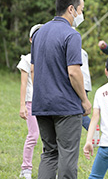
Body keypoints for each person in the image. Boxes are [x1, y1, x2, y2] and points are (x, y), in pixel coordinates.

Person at [31, 0, 92, 179]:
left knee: (49, 154)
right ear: (71, 9)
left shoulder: (40, 33)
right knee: (67, 155)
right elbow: (74, 72)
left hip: (42, 104)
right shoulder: (72, 35)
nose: (81, 15)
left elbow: (33, 69)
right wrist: (84, 99)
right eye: (81, 10)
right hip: (66, 106)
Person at [17, 24, 42, 179]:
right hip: (32, 102)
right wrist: (22, 105)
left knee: (49, 138)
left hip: (47, 102)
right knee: (33, 135)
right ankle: (26, 168)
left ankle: (48, 168)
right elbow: (24, 84)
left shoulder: (49, 58)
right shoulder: (27, 59)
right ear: (31, 40)